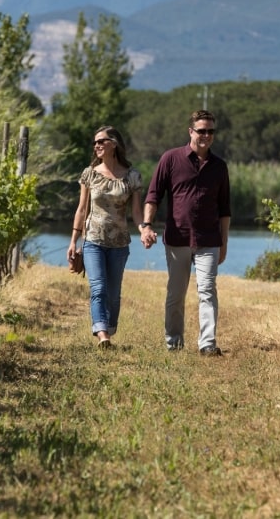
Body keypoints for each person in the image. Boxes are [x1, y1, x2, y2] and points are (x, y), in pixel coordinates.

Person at [141, 110, 231, 356]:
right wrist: (146, 225)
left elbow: (225, 209)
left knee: (207, 290)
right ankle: (174, 342)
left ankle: (207, 345)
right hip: (177, 238)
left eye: (210, 131)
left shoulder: (220, 167)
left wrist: (224, 243)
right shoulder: (170, 159)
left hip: (209, 239)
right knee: (176, 293)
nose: (206, 135)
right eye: (201, 130)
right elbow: (153, 196)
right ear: (190, 131)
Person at [69, 126, 146, 349]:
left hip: (120, 243)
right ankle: (103, 334)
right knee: (98, 287)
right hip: (93, 240)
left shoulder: (132, 176)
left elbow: (137, 212)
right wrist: (74, 241)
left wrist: (144, 229)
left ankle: (109, 327)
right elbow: (82, 209)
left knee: (113, 294)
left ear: (114, 143)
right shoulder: (90, 173)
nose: (97, 146)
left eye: (101, 141)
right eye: (95, 143)